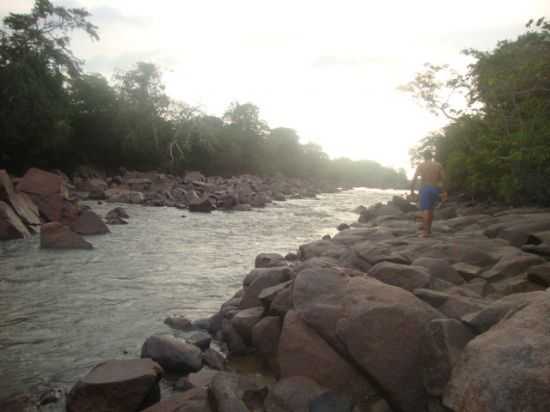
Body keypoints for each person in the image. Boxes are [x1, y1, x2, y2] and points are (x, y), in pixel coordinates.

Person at [410, 151, 447, 237]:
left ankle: (425, 233)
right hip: (435, 188)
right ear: (431, 157)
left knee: (425, 210)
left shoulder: (421, 166)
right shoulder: (438, 165)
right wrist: (444, 191)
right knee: (431, 209)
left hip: (425, 188)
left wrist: (412, 190)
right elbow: (444, 179)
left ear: (424, 157)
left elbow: (414, 179)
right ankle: (429, 230)